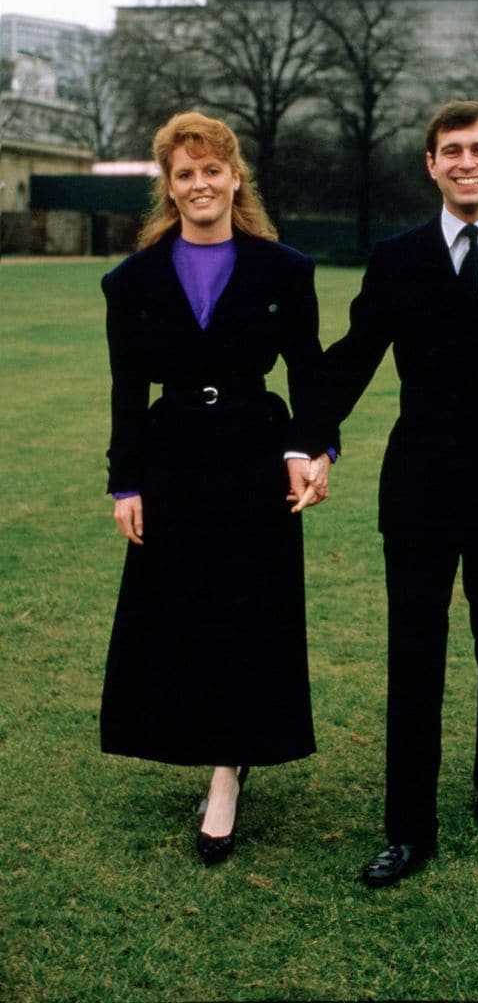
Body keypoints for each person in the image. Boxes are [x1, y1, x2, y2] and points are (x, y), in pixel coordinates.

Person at [294, 100, 478, 887]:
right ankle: (407, 828)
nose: (466, 162)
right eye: (450, 151)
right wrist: (309, 436)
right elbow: (355, 356)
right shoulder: (398, 258)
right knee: (414, 657)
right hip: (421, 488)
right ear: (430, 165)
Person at [101, 111, 334, 865]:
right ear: (170, 191)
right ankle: (204, 744)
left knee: (246, 612)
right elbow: (127, 388)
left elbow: (309, 373)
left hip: (253, 459)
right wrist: (124, 483)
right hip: (172, 463)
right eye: (184, 174)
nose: (200, 184)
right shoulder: (131, 281)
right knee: (183, 614)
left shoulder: (284, 270)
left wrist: (314, 447)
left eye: (211, 170)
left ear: (235, 177)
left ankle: (228, 774)